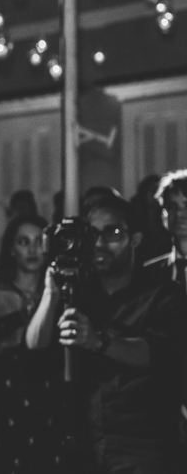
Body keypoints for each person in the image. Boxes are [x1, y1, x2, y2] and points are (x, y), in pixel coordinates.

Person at [26, 192, 187, 473]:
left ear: (135, 239)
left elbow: (157, 352)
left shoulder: (163, 293)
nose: (99, 244)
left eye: (112, 233)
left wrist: (98, 340)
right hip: (86, 446)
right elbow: (34, 345)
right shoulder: (79, 293)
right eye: (92, 234)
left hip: (145, 447)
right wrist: (51, 294)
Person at [0, 214, 64, 474]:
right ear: (11, 249)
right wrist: (6, 342)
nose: (32, 250)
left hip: (50, 400)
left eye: (39, 242)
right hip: (9, 402)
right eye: (24, 242)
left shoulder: (60, 295)